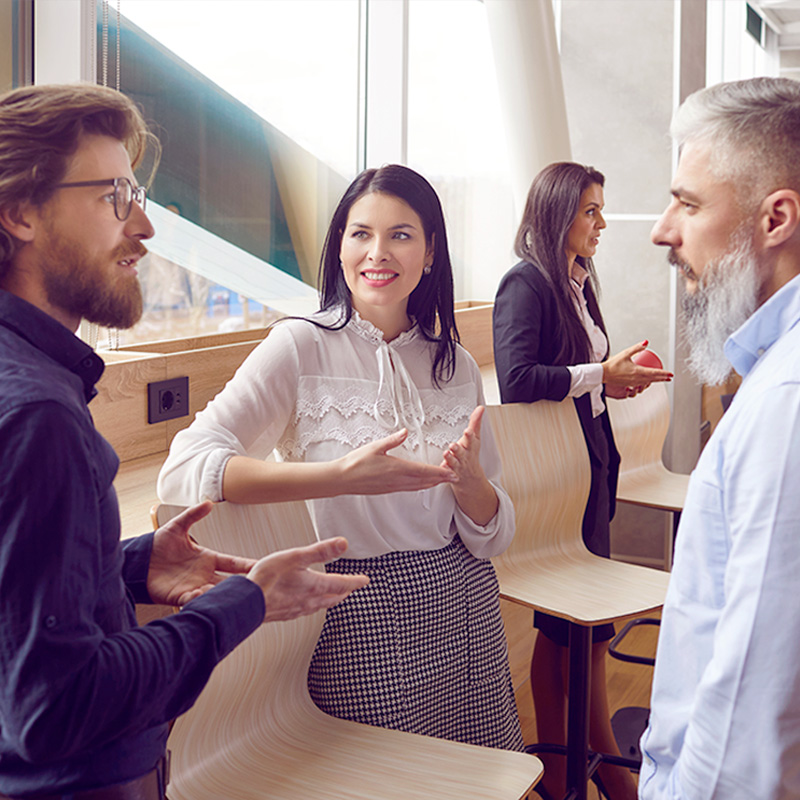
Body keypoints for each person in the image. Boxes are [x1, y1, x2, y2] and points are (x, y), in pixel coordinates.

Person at [0, 83, 370, 800]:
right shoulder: (40, 417)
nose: (143, 225)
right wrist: (243, 605)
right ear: (19, 212)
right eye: (114, 196)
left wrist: (126, 566)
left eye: (135, 194)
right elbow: (56, 708)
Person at [158, 164, 524, 751]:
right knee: (386, 779)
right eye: (361, 234)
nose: (378, 253)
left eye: (401, 235)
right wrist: (339, 477)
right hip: (352, 607)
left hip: (463, 601)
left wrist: (470, 483)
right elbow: (184, 467)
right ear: (340, 246)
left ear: (431, 252)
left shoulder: (454, 364)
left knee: (475, 776)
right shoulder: (299, 344)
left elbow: (492, 534)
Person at [639, 77, 800, 799]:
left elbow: (750, 721)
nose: (662, 230)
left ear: (776, 218)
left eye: (690, 202)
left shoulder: (787, 402)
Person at [493, 162, 672, 799]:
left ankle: (569, 771)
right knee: (578, 631)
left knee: (570, 631)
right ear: (557, 213)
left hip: (592, 461)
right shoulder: (525, 283)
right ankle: (609, 780)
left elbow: (578, 374)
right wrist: (600, 374)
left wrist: (611, 382)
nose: (602, 223)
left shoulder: (578, 280)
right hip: (560, 479)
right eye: (591, 211)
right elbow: (517, 381)